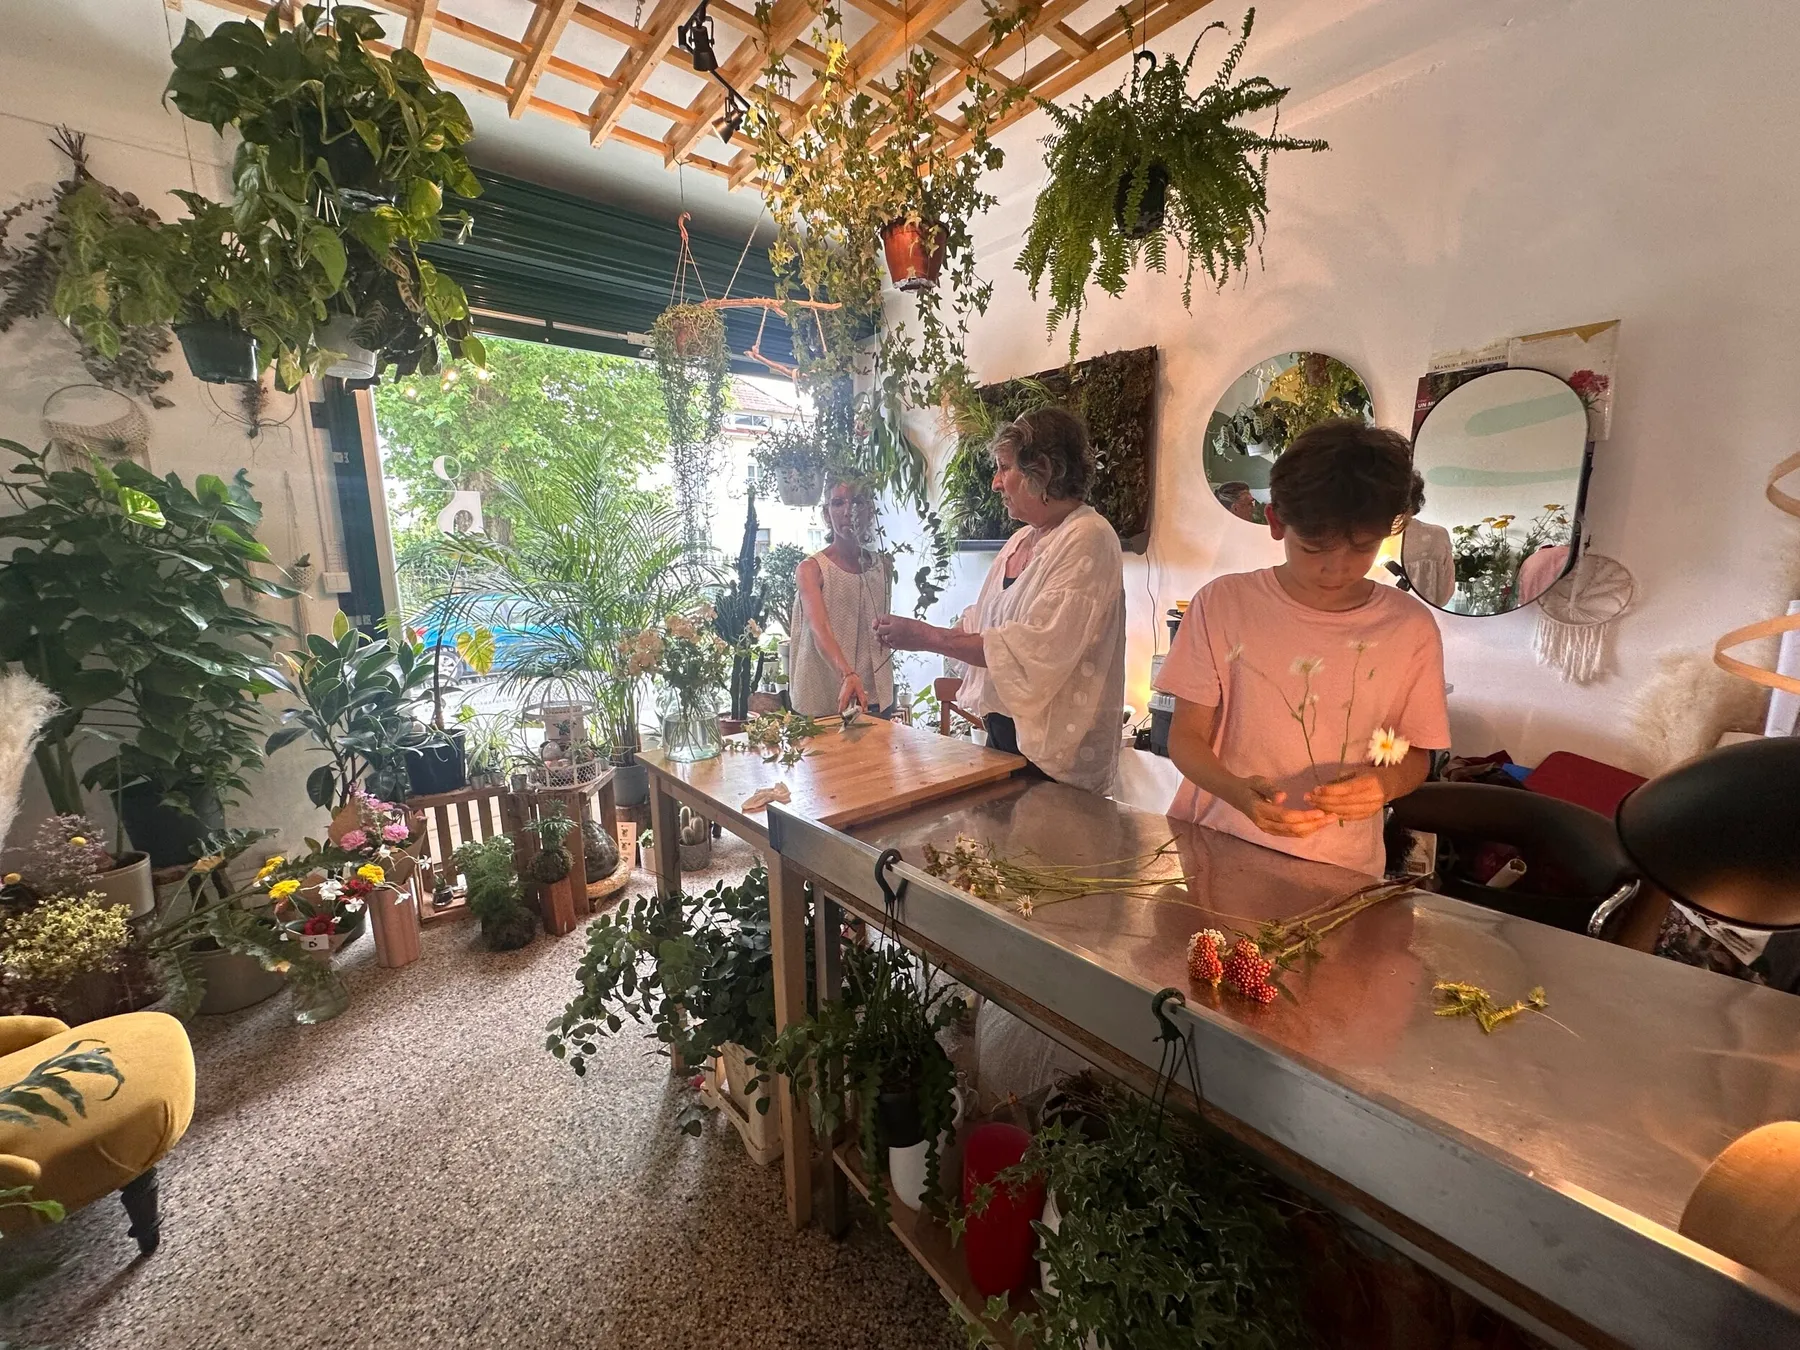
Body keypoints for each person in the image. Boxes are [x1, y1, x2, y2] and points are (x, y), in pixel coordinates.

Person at [1158, 420, 1451, 877]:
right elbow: (1185, 738)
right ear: (1277, 522)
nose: (1336, 569)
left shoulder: (1408, 627)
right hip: (1218, 847)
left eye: (1362, 548)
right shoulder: (1222, 604)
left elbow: (1416, 755)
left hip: (1339, 868)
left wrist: (1383, 784)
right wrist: (1238, 793)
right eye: (1314, 547)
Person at [873, 407, 1126, 793]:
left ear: (1041, 470)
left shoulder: (1088, 537)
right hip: (1005, 743)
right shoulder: (1021, 541)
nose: (995, 483)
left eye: (1004, 467)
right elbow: (984, 626)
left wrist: (927, 636)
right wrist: (914, 636)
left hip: (1055, 761)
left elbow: (1034, 648)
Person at [788, 472, 895, 717]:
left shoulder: (883, 566)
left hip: (875, 699)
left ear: (870, 510)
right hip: (822, 702)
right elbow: (819, 627)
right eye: (838, 502)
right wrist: (847, 673)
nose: (848, 511)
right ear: (826, 514)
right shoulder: (811, 570)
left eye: (857, 501)